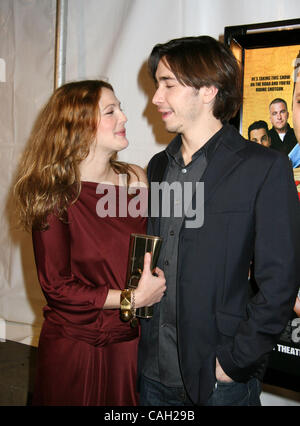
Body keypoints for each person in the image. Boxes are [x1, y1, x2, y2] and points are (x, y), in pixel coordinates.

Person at [137, 35, 300, 406]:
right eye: (156, 85)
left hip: (217, 379)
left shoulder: (263, 168)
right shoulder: (159, 167)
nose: (156, 98)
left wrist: (233, 362)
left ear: (208, 89)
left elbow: (281, 282)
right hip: (151, 372)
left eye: (168, 85)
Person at [13, 80, 166, 406]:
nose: (125, 117)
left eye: (120, 108)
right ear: (78, 126)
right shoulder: (53, 194)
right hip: (74, 345)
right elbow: (57, 286)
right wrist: (131, 298)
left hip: (126, 343)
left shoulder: (136, 180)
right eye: (111, 111)